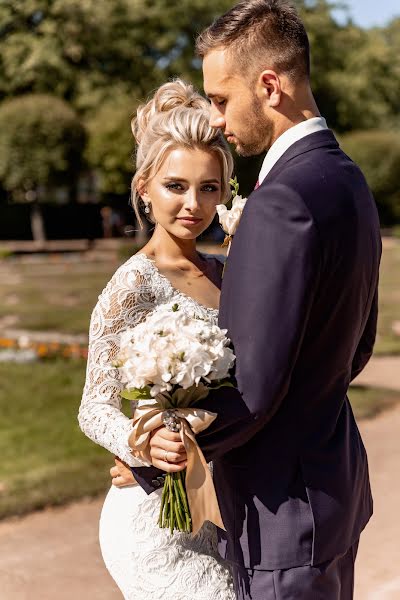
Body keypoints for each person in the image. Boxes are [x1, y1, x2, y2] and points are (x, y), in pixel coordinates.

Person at [125, 2, 382, 599]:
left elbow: (254, 386)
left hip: (282, 510)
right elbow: (358, 343)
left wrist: (158, 458)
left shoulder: (281, 200)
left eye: (220, 99)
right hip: (333, 479)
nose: (215, 120)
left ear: (270, 86)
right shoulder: (346, 180)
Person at [78, 79, 236, 600]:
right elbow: (94, 407)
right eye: (176, 186)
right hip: (154, 518)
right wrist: (143, 444)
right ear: (144, 188)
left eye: (208, 188)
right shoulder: (132, 283)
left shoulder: (227, 274)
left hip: (223, 505)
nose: (193, 204)